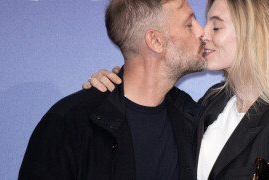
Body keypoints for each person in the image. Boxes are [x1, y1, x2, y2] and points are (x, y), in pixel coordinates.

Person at [83, 0, 269, 179]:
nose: (203, 34)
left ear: (251, 35)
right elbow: (148, 104)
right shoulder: (209, 103)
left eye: (216, 27)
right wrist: (116, 83)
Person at [19, 0, 207, 179]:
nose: (202, 32)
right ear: (155, 41)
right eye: (189, 24)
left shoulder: (193, 116)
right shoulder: (69, 123)